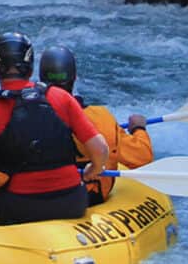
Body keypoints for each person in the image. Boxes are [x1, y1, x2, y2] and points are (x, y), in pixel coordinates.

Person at [0, 32, 111, 225]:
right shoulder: (62, 98)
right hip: (72, 202)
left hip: (20, 208)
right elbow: (101, 150)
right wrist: (94, 168)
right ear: (30, 68)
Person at [38, 45, 153, 203]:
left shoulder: (25, 114)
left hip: (36, 194)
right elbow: (142, 158)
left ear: (41, 80)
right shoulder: (100, 118)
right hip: (88, 195)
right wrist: (138, 128)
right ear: (74, 78)